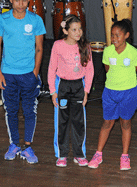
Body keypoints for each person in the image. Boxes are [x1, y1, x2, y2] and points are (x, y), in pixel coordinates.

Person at [0, 0, 46, 164]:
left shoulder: (36, 20)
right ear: (10, 0)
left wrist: (35, 72)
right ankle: (14, 144)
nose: (21, 4)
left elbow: (39, 48)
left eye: (24, 0)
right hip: (8, 74)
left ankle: (28, 147)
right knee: (11, 111)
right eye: (17, 0)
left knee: (30, 111)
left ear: (28, 0)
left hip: (28, 74)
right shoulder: (2, 19)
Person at [87, 19, 137, 170]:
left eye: (118, 35)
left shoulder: (134, 52)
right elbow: (107, 69)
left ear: (126, 35)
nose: (114, 39)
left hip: (128, 93)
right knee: (107, 122)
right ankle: (98, 154)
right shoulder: (107, 51)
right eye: (112, 35)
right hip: (110, 92)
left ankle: (125, 156)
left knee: (125, 123)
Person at [48, 15, 94, 167]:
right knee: (61, 122)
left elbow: (89, 70)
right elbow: (51, 68)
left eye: (80, 28)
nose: (78, 32)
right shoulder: (57, 45)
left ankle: (79, 154)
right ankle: (61, 155)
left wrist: (86, 90)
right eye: (74, 29)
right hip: (62, 86)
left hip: (78, 87)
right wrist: (53, 91)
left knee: (79, 122)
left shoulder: (85, 46)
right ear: (65, 31)